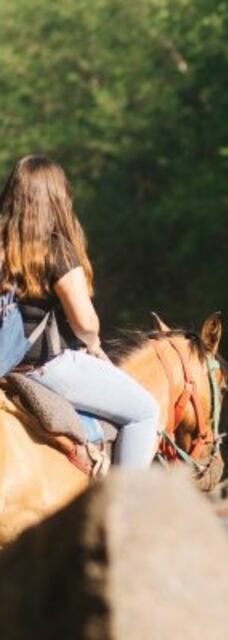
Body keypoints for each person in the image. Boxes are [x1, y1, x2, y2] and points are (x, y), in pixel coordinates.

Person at [0, 155, 161, 468]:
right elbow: (85, 323)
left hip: (4, 363)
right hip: (45, 367)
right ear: (57, 199)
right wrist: (93, 343)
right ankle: (120, 508)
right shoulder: (56, 248)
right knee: (145, 412)